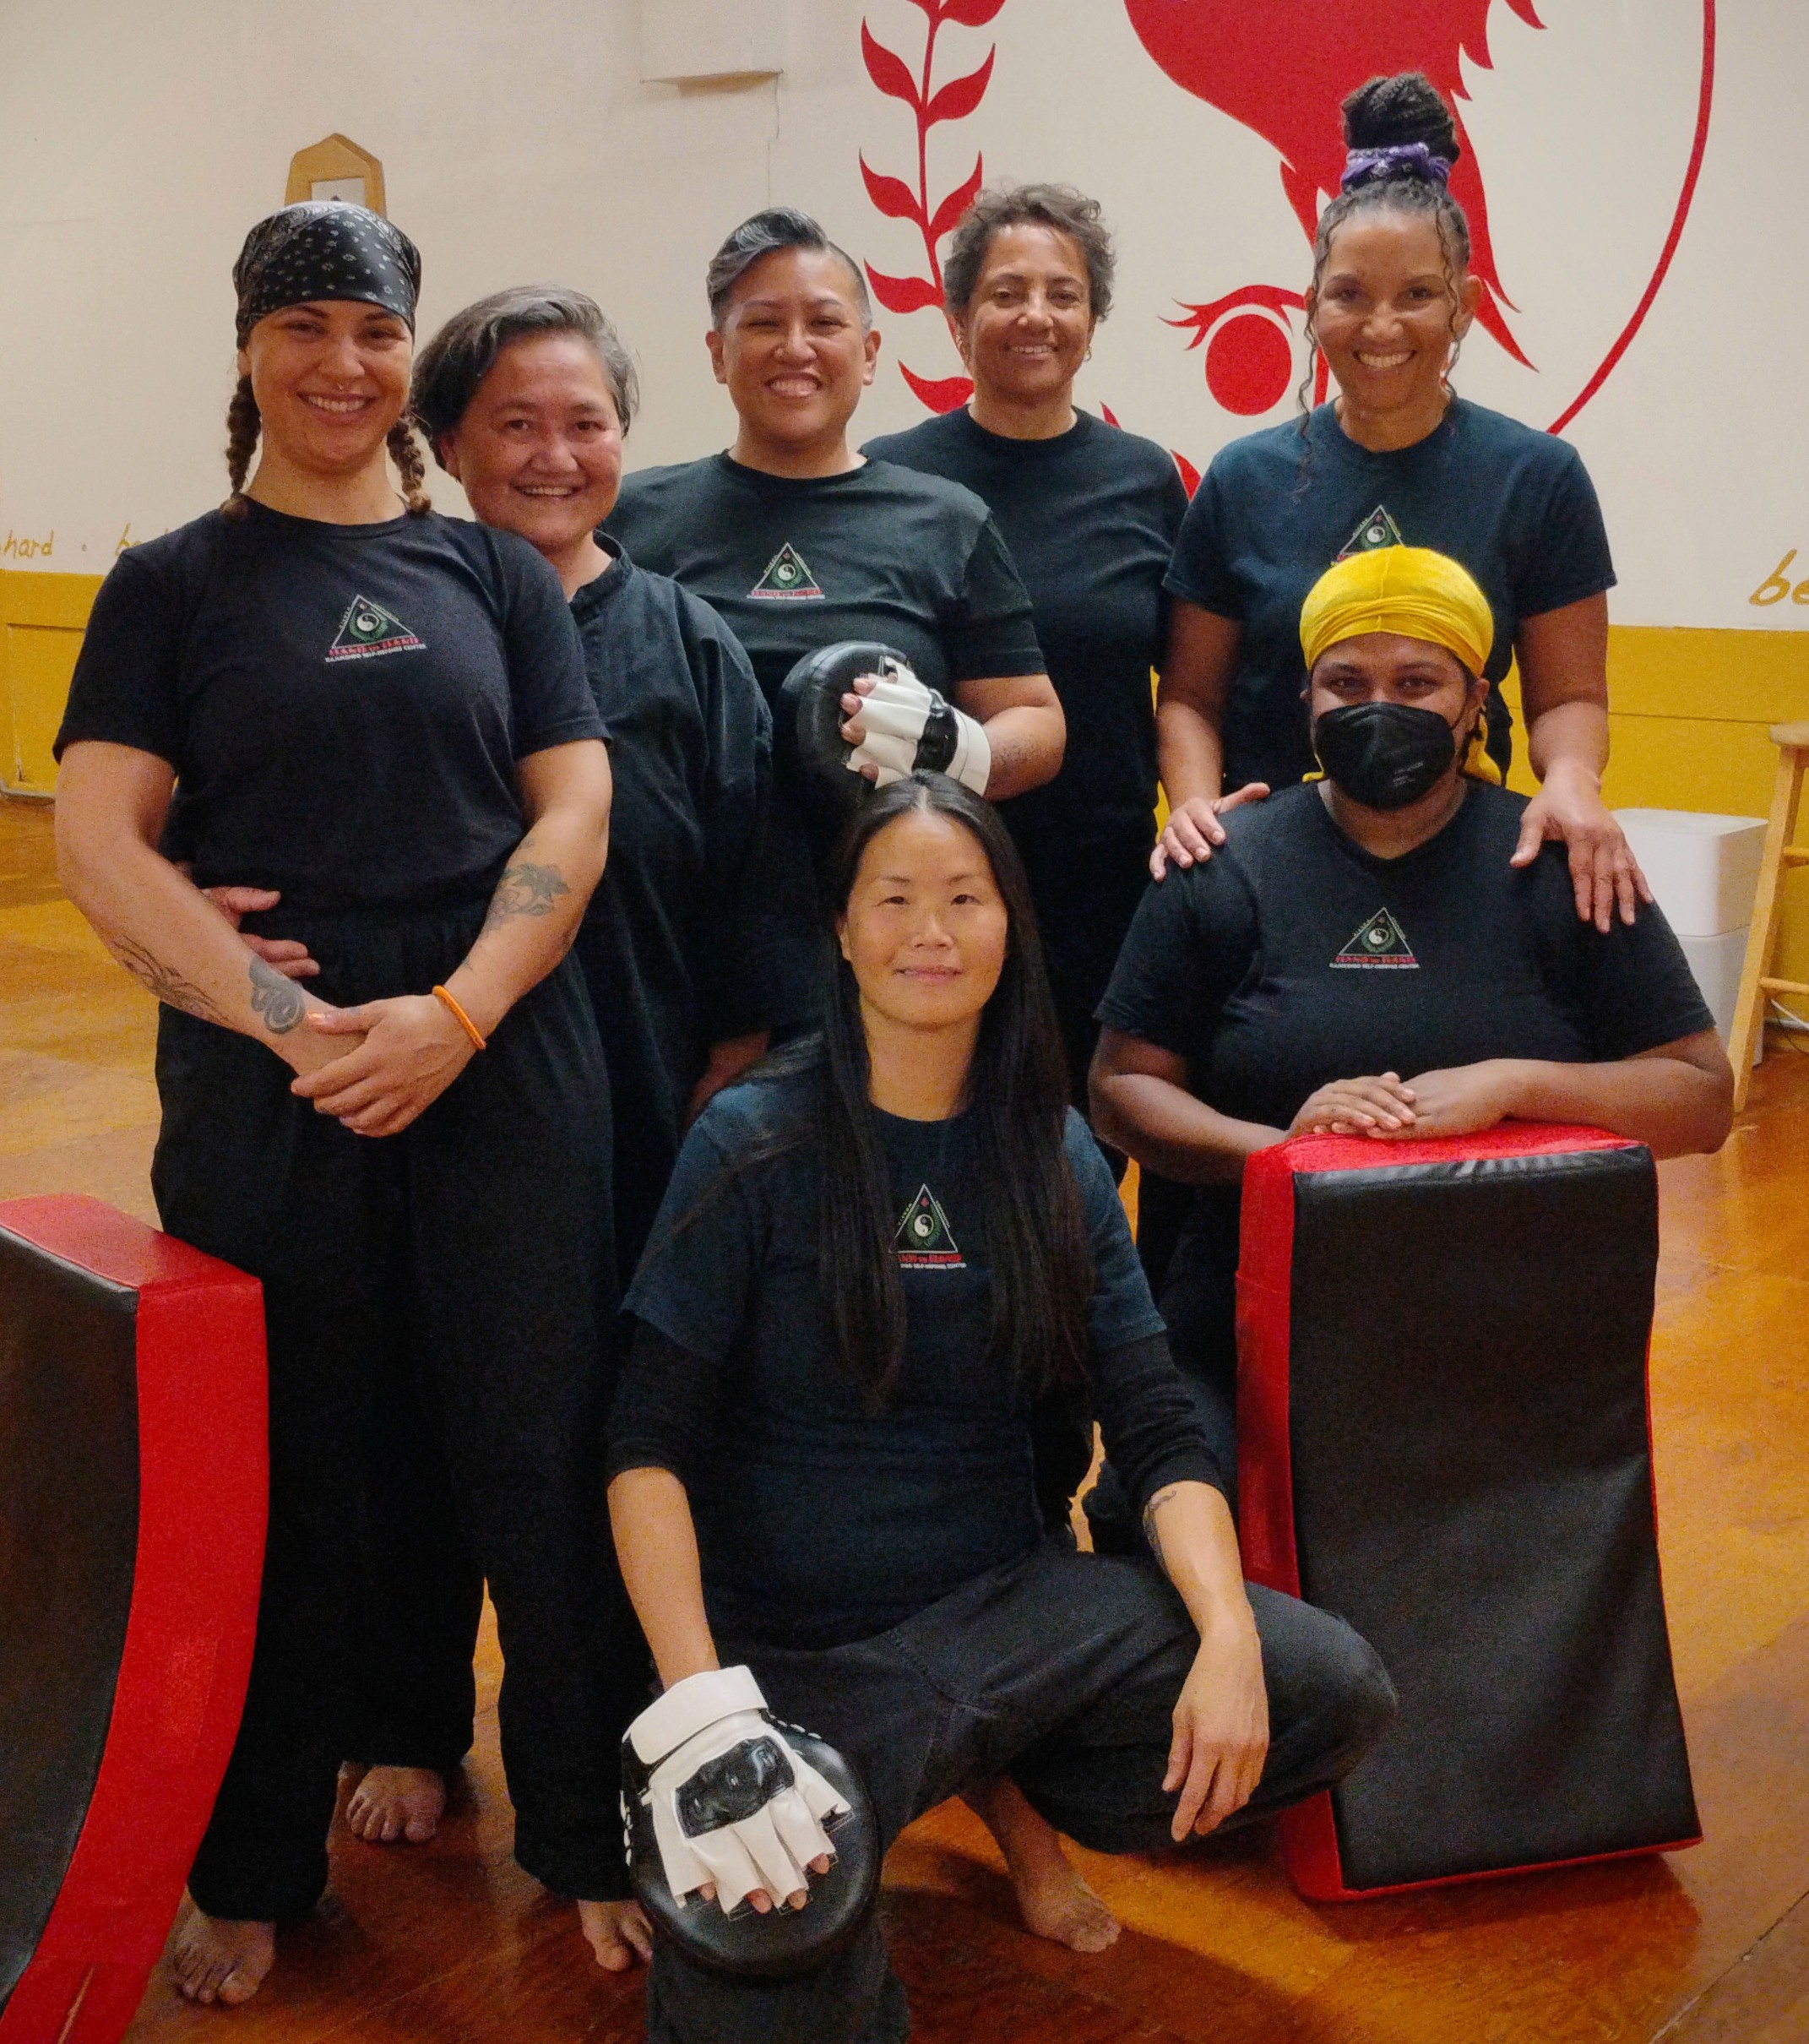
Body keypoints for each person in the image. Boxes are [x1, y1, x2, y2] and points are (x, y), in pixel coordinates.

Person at [52, 202, 628, 2004]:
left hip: (498, 1049)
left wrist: (455, 1012)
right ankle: (246, 1856)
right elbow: (95, 836)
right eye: (303, 327)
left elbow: (572, 816)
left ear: (407, 352)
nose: (342, 362)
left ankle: (586, 1839)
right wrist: (295, 1023)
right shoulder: (173, 584)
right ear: (246, 351)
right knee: (281, 1462)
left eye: (373, 329)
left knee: (537, 1448)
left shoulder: (501, 581)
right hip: (268, 1071)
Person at [606, 771, 1396, 2043]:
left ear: (1009, 930)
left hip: (1015, 1623)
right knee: (756, 1991)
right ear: (843, 933)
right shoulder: (751, 1143)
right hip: (800, 1666)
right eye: (896, 899)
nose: (931, 930)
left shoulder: (1055, 1150)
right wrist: (704, 1716)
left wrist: (1227, 1637)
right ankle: (860, 1824)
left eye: (964, 898)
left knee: (1328, 1682)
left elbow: (1151, 1414)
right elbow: (644, 1445)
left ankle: (989, 1777)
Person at [269, 285, 773, 1974]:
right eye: (515, 426)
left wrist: (730, 1081)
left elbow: (757, 894)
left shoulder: (688, 641)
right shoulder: (394, 615)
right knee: (404, 1413)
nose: (555, 457)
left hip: (634, 1118)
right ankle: (404, 1715)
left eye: (587, 424)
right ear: (449, 442)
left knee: (584, 1457)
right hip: (399, 1095)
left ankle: (600, 1773)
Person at [1089, 545, 1732, 1538]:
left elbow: (1701, 1096)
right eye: (1346, 681)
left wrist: (1517, 1083)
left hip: (1494, 1342)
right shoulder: (1225, 859)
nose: (1376, 705)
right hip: (1245, 1331)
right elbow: (1121, 1086)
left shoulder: (1568, 867)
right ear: (1305, 698)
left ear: (1478, 698)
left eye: (1416, 681)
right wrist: (1293, 1158)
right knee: (1156, 1528)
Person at [1154, 71, 1650, 936]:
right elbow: (1190, 697)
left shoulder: (1539, 477)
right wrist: (1197, 810)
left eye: (1417, 295)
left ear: (1464, 307)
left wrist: (1572, 781)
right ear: (1311, 307)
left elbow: (1569, 696)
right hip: (1265, 873)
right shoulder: (1240, 479)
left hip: (1462, 871)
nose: (1381, 325)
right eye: (1349, 294)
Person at [605, 207, 1066, 1029]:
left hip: (899, 940)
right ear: (717, 353)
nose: (795, 347)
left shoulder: (945, 518)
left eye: (823, 321)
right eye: (763, 323)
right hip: (682, 939)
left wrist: (960, 749)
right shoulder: (635, 519)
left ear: (871, 351)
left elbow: (1037, 721)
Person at [862, 184, 1198, 1112]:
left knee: (1082, 1152)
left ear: (1094, 319)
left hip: (1103, 885)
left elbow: (1192, 690)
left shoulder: (1146, 477)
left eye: (1064, 293)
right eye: (1008, 292)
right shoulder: (890, 474)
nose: (1036, 316)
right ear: (958, 316)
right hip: (927, 876)